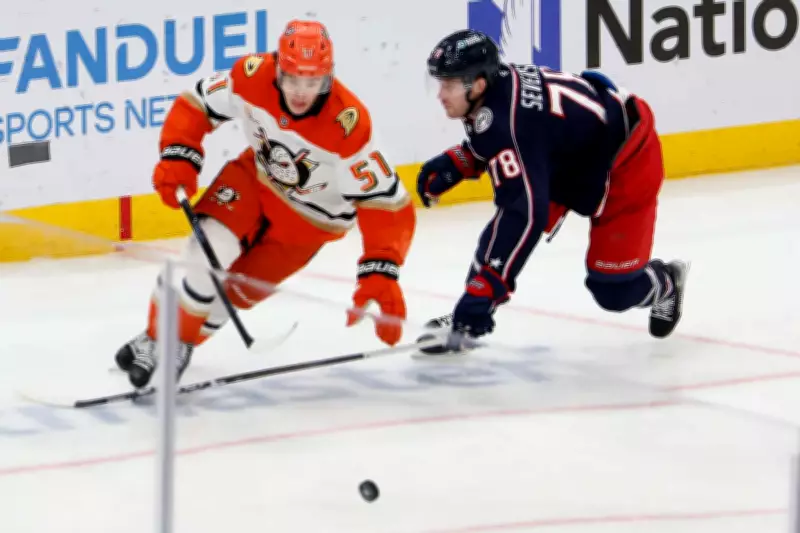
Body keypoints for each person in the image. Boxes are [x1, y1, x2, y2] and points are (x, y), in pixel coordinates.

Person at [116, 20, 416, 388]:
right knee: (205, 253)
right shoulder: (251, 75)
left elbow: (385, 202)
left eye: (313, 82)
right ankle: (164, 340)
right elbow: (198, 102)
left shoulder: (348, 124)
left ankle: (173, 339)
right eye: (293, 79)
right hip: (256, 182)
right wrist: (180, 152)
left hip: (310, 223)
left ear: (329, 77)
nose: (301, 93)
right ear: (277, 69)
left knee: (238, 293)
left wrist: (382, 267)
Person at [415, 29, 688, 352]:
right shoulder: (494, 94)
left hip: (625, 159)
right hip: (571, 157)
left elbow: (523, 213)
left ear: (478, 84)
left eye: (448, 85)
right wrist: (464, 159)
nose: (440, 94)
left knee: (614, 291)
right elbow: (522, 135)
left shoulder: (506, 120)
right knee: (500, 235)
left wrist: (486, 289)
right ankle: (467, 318)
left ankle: (667, 281)